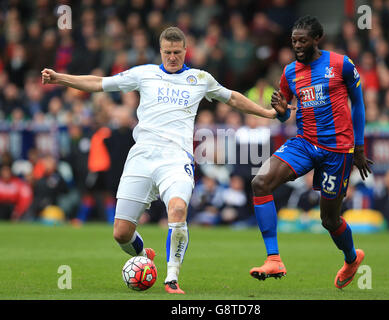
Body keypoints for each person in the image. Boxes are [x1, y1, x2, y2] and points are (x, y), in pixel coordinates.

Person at [41, 26, 278, 294]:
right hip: (141, 156)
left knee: (177, 209)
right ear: (161, 51)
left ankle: (172, 277)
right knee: (121, 233)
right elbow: (99, 83)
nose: (172, 57)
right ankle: (144, 254)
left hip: (176, 159)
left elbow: (232, 97)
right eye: (167, 52)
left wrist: (267, 113)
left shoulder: (199, 78)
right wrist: (60, 78)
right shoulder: (145, 74)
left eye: (177, 52)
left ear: (185, 51)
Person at [249, 16, 373, 289]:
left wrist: (359, 148)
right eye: (294, 41)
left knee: (329, 219)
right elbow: (282, 116)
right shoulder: (290, 72)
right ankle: (273, 259)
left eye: (302, 40)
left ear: (317, 39)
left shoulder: (341, 65)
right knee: (260, 182)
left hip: (337, 150)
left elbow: (359, 105)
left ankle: (352, 259)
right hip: (304, 143)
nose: (297, 46)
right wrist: (281, 112)